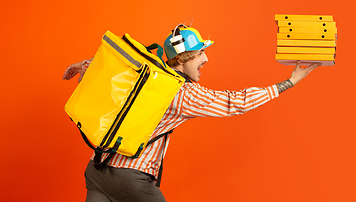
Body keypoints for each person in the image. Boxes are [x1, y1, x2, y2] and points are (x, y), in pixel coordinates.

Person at [63, 24, 321, 202]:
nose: (206, 59)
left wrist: (83, 65)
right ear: (182, 59)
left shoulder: (148, 74)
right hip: (131, 179)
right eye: (199, 53)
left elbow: (114, 68)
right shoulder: (181, 93)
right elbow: (235, 102)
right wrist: (289, 83)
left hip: (97, 169)